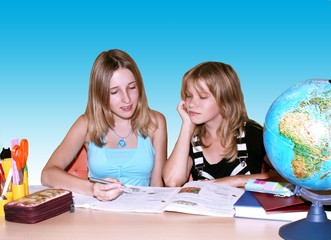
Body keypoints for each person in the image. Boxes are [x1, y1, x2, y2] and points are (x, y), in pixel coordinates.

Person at [41, 49, 167, 201]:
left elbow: (157, 185)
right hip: (97, 216)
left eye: (132, 87)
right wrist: (92, 188)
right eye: (114, 92)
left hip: (141, 215)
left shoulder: (156, 122)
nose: (127, 99)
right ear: (100, 95)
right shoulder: (86, 124)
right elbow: (47, 174)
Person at [163, 61, 280, 188]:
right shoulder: (190, 140)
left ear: (226, 100)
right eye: (188, 96)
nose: (191, 104)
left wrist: (232, 181)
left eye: (202, 97)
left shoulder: (252, 133)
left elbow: (287, 176)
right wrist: (187, 126)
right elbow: (172, 181)